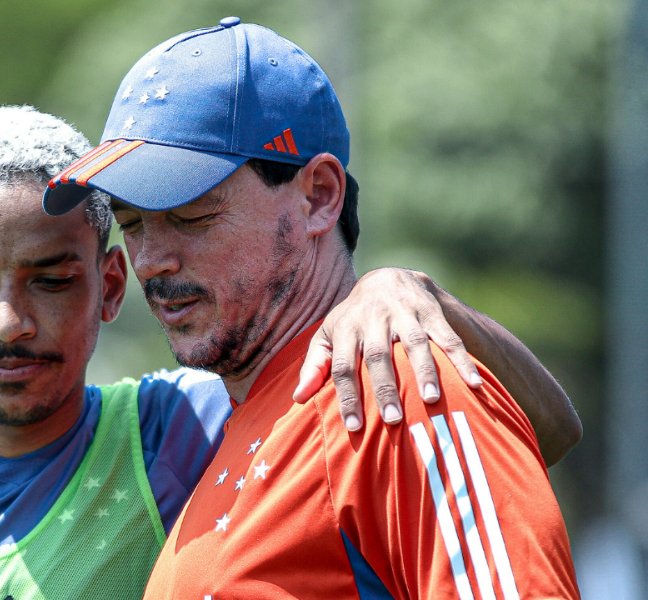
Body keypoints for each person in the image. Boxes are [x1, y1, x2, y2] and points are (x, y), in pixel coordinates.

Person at [0, 99, 575, 599]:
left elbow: (546, 431)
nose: (8, 321)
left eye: (51, 279)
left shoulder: (177, 434)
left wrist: (409, 294)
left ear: (111, 286)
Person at [43, 18, 580, 598]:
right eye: (131, 224)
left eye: (191, 215)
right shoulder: (234, 418)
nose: (151, 260)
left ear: (319, 195)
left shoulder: (394, 381)